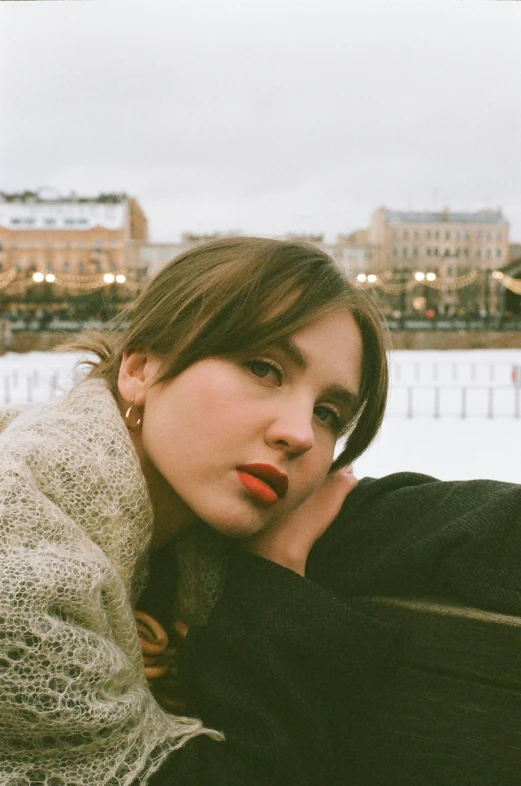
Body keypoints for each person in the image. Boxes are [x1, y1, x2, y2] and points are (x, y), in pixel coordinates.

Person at [0, 237, 520, 786]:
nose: (298, 434)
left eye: (327, 412)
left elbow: (447, 526)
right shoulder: (22, 569)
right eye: (263, 369)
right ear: (141, 367)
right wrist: (275, 577)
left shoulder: (189, 508)